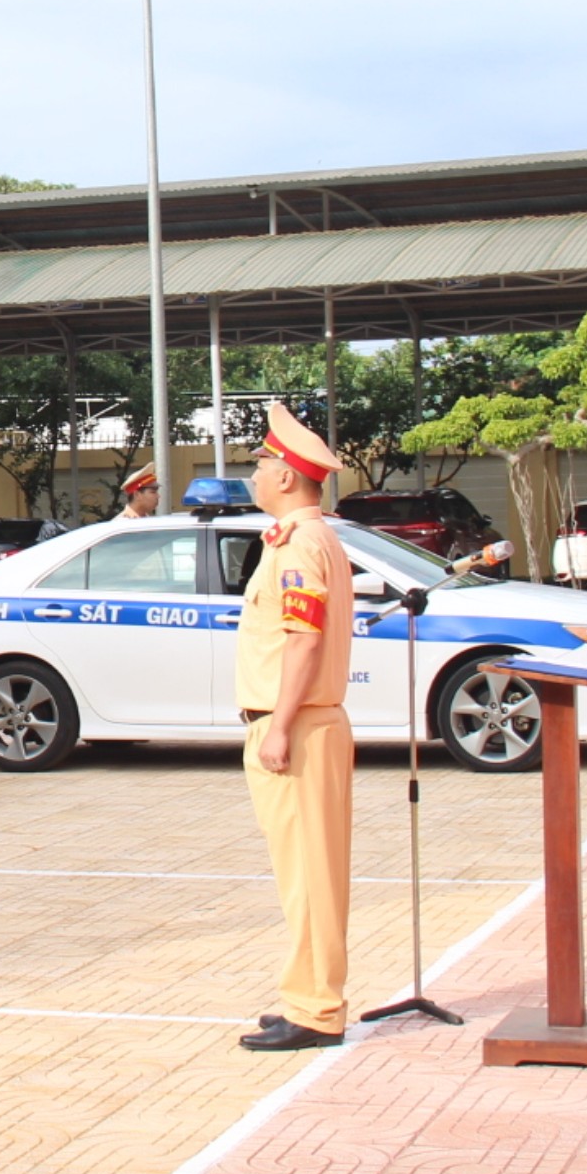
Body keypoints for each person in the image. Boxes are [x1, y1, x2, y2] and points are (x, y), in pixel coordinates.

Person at [235, 400, 357, 1054]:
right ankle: (307, 996)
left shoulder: (300, 542)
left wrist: (278, 727)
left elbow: (302, 642)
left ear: (285, 476)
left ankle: (316, 1009)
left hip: (300, 726)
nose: (253, 475)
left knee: (309, 873)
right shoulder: (309, 538)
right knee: (304, 872)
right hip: (305, 723)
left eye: (259, 464)